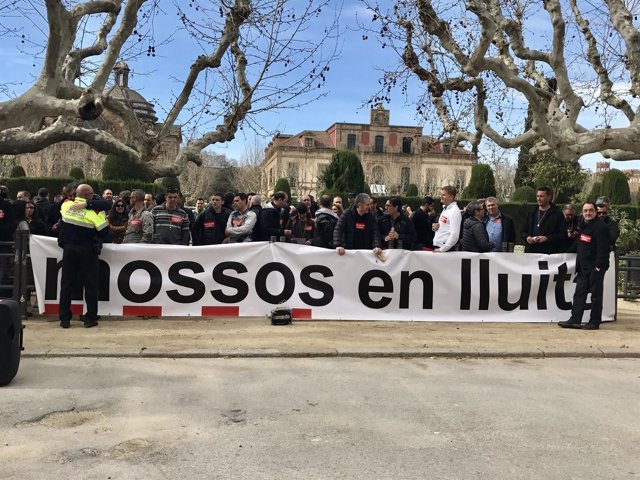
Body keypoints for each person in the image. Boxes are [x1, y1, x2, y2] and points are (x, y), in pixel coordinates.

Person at [58, 184, 110, 328]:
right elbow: (104, 231)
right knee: (91, 284)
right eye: (92, 194)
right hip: (87, 250)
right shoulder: (95, 211)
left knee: (66, 283)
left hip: (69, 249)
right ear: (88, 196)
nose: (94, 196)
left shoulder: (66, 205)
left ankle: (64, 319)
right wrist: (90, 207)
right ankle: (90, 318)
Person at [558, 202, 610, 330]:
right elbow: (578, 244)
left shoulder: (600, 227)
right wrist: (565, 253)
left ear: (595, 212)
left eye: (590, 210)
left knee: (596, 296)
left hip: (595, 268)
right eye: (585, 211)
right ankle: (575, 319)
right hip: (583, 268)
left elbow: (603, 250)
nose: (588, 213)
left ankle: (595, 321)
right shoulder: (582, 225)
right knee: (579, 294)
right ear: (582, 212)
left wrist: (598, 267)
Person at [520, 187, 565, 254]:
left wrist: (547, 238)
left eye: (541, 196)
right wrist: (527, 238)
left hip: (549, 252)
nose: (539, 199)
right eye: (537, 196)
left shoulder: (557, 214)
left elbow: (563, 234)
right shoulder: (531, 212)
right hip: (532, 252)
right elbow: (523, 231)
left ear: (549, 197)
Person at [432, 185, 462, 252]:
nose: (441, 197)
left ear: (451, 197)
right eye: (441, 194)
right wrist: (436, 228)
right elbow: (444, 227)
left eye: (444, 195)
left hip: (445, 249)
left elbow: (454, 235)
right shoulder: (446, 208)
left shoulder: (454, 211)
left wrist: (442, 249)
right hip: (440, 246)